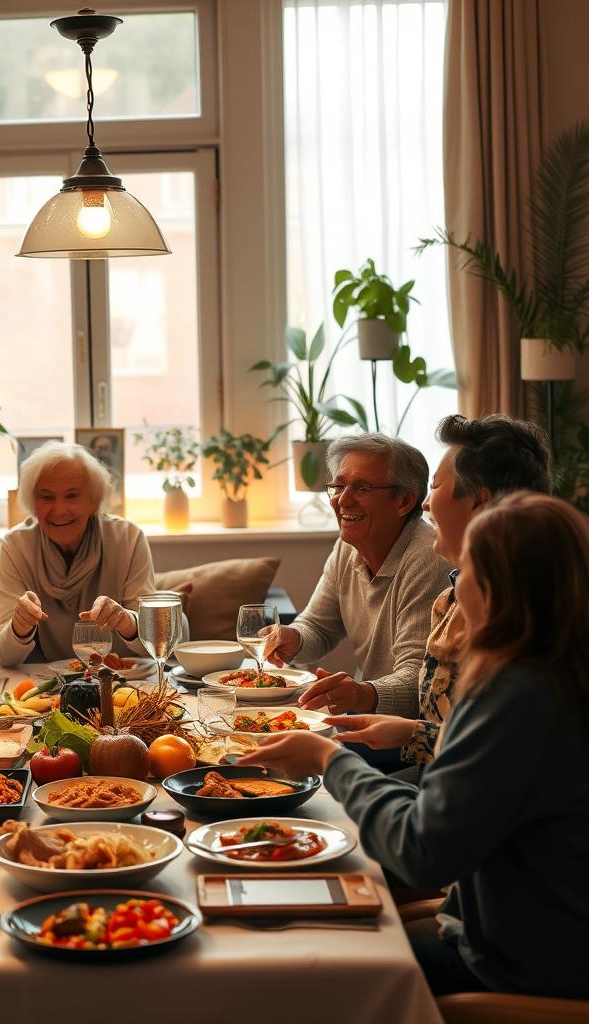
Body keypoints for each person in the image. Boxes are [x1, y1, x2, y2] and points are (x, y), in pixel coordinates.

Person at [239, 492, 589, 999]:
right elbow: (448, 814)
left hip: (526, 966)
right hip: (541, 934)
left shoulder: (513, 693)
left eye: (466, 568)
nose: (456, 583)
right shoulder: (560, 674)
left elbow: (421, 852)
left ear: (497, 591)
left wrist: (329, 760)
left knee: (297, 976)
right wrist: (412, 735)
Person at [325, 415, 551, 775]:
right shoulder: (453, 599)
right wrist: (411, 732)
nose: (426, 506)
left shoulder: (523, 616)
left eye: (435, 487)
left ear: (479, 501)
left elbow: (495, 761)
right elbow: (463, 739)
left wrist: (333, 764)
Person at [262, 434, 451, 716]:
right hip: (368, 717)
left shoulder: (427, 559)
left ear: (404, 501)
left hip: (406, 734)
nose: (343, 500)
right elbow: (318, 627)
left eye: (362, 488)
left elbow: (419, 679)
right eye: (338, 486)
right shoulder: (348, 547)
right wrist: (294, 638)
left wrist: (362, 693)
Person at [0, 441, 160, 666]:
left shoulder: (128, 538)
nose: (59, 510)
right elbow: (2, 656)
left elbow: (157, 642)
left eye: (72, 496)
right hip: (51, 686)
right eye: (47, 497)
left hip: (124, 682)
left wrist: (124, 620)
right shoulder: (16, 545)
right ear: (32, 501)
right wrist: (18, 627)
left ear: (94, 501)